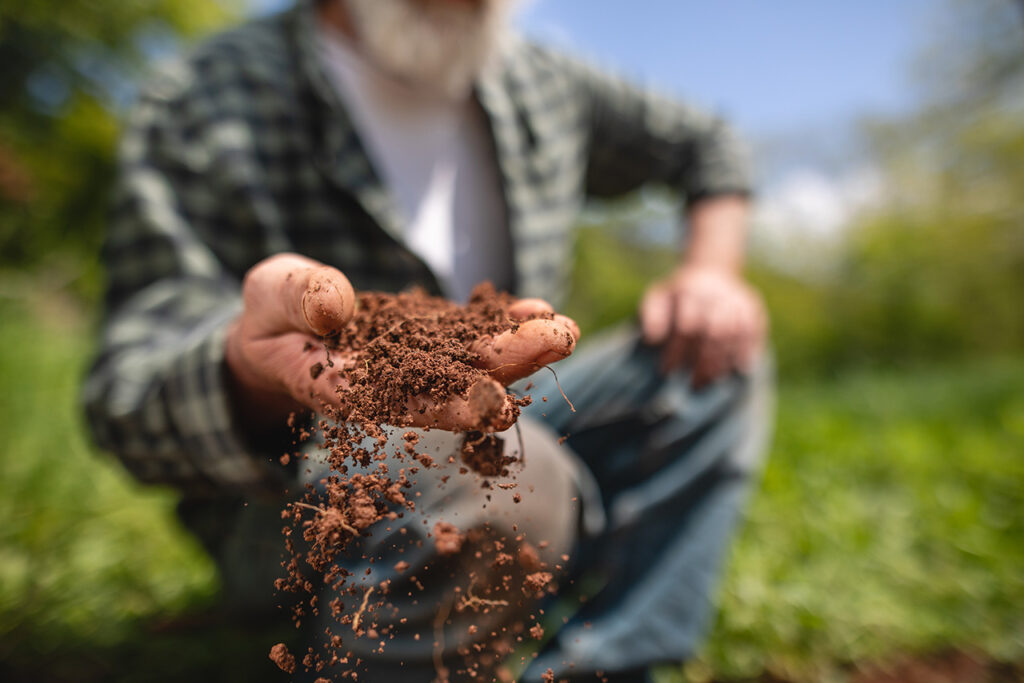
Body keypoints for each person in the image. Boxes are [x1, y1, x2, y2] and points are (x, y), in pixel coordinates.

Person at [83, 0, 772, 680]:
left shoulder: (538, 78)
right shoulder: (208, 96)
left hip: (518, 413)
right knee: (505, 474)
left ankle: (603, 661)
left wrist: (711, 273)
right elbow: (126, 389)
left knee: (710, 356)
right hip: (301, 483)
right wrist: (251, 367)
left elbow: (709, 141)